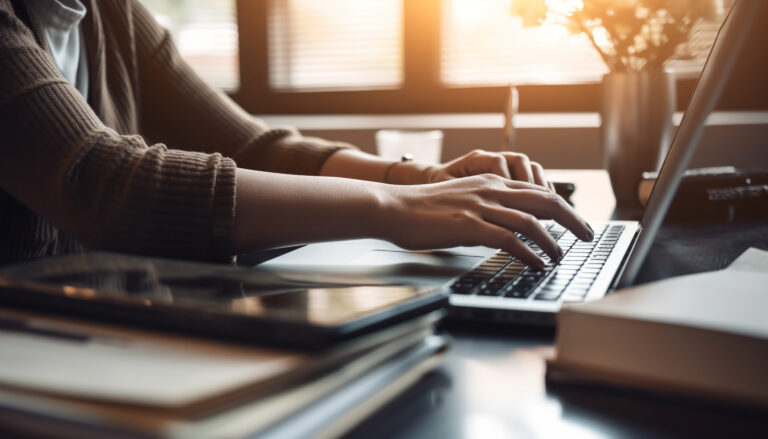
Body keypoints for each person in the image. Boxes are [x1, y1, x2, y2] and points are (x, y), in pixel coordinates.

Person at [0, 0, 593, 268]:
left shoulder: (112, 13)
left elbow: (255, 148)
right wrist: (395, 206)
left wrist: (423, 178)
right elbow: (99, 180)